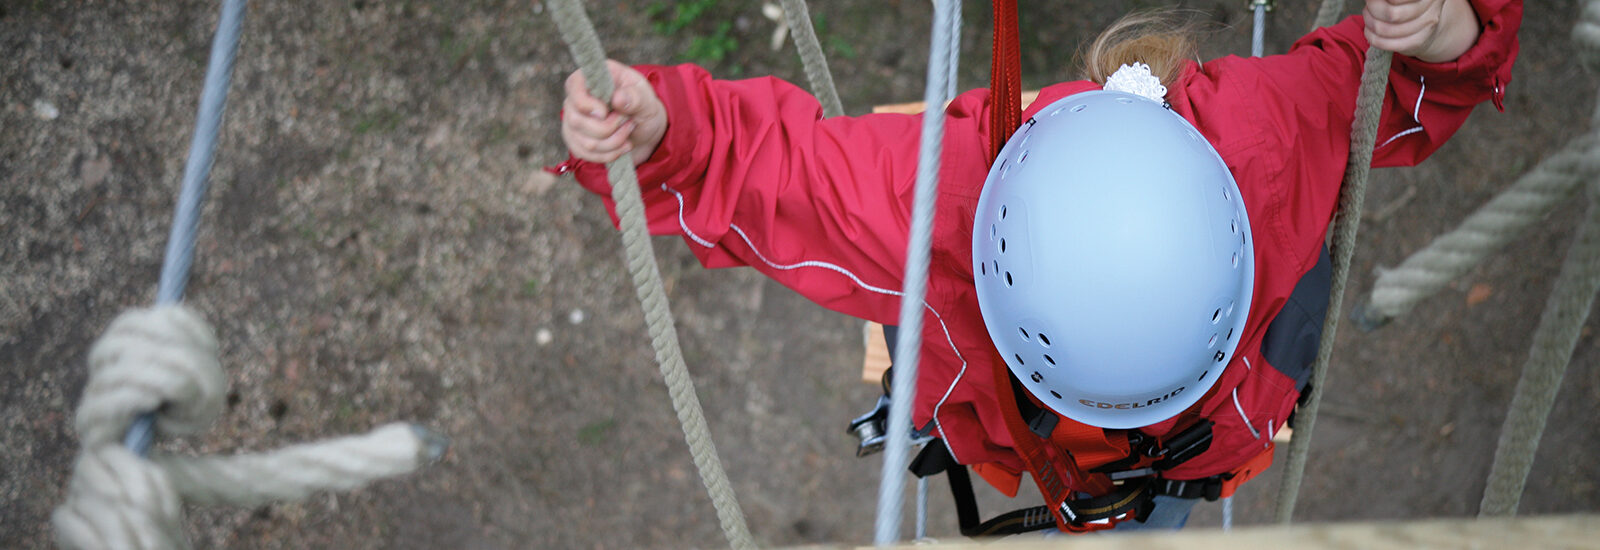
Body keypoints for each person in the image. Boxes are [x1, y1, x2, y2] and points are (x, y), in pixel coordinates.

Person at [553, 0, 1522, 534]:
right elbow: (779, 169)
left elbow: (1384, 80)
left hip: (1193, 452)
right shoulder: (941, 205)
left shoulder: (1264, 143)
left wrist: (1445, 27)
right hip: (1054, 453)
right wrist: (662, 133)